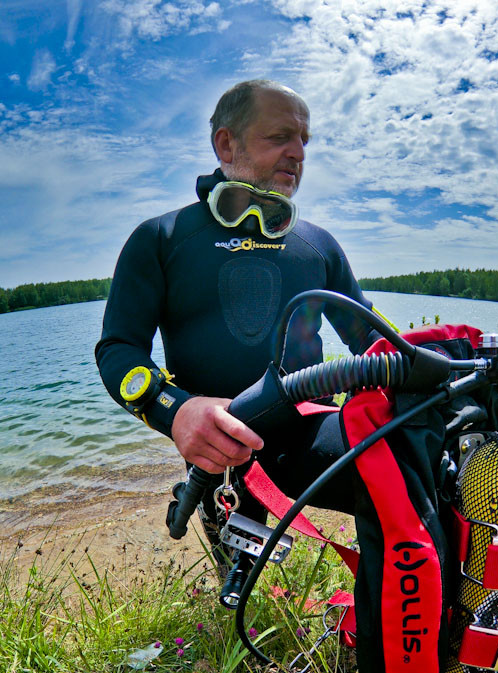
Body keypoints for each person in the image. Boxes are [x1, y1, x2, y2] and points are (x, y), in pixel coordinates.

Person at [96, 79, 379, 519]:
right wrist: (175, 410)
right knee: (236, 571)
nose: (300, 155)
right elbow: (119, 348)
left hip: (310, 430)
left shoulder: (319, 246)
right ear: (226, 145)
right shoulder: (160, 240)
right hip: (216, 443)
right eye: (280, 137)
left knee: (395, 485)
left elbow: (374, 343)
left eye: (303, 141)